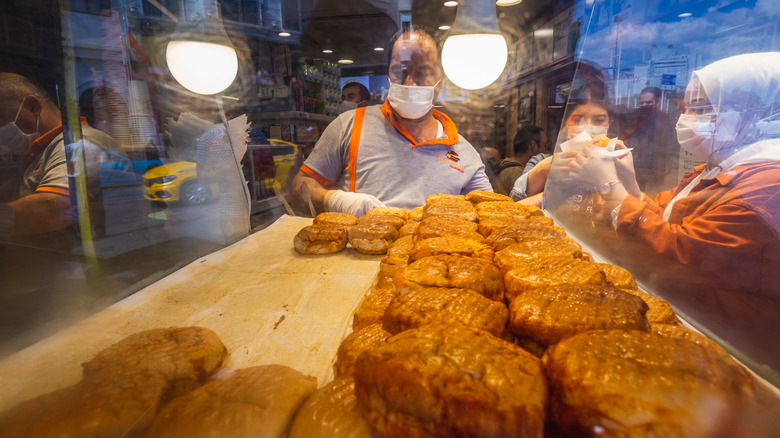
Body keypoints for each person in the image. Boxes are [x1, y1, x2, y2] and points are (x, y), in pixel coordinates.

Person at [550, 52, 780, 369]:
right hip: (683, 320)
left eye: (700, 109)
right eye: (684, 108)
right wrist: (628, 182)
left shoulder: (770, 186)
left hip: (729, 350)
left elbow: (680, 255)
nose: (684, 118)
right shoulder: (712, 170)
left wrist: (608, 185)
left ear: (753, 114)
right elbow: (659, 216)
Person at [290, 26, 493, 216]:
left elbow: (489, 215)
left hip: (433, 251)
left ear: (442, 78)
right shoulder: (350, 126)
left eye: (422, 72)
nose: (409, 82)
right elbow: (299, 189)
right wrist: (334, 200)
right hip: (358, 248)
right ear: (388, 72)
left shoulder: (463, 154)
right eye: (399, 71)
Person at [0, 73, 128, 243]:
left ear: (32, 107)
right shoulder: (38, 153)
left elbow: (54, 208)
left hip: (81, 266)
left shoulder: (80, 143)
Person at [511, 100, 618, 205]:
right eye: (578, 120)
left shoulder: (618, 163)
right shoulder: (540, 160)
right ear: (565, 124)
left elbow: (629, 213)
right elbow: (514, 207)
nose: (588, 127)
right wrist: (541, 171)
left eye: (599, 120)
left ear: (609, 125)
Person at [618, 86, 680, 194]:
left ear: (657, 102)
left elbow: (669, 145)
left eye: (648, 102)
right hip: (635, 165)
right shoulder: (635, 118)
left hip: (656, 169)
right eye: (642, 103)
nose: (644, 106)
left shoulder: (664, 119)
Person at [489, 125, 547, 196]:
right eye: (545, 145)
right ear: (533, 145)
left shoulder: (504, 163)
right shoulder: (518, 173)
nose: (546, 150)